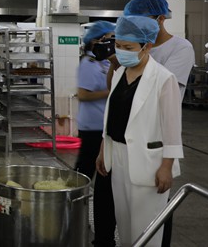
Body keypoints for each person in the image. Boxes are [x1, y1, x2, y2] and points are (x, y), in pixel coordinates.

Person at [96, 16, 183, 247]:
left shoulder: (164, 79)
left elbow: (172, 128)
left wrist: (166, 167)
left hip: (149, 162)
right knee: (125, 226)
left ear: (147, 46)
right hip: (118, 156)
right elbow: (112, 116)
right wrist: (104, 148)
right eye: (118, 45)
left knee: (146, 231)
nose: (121, 52)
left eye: (128, 48)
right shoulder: (119, 74)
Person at [119, 0, 194, 247]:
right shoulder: (134, 48)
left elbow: (158, 90)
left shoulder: (180, 48)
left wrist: (167, 164)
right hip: (129, 137)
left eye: (140, 20)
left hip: (156, 135)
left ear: (160, 19)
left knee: (155, 212)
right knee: (131, 213)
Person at [75, 21, 116, 247]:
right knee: (84, 172)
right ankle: (70, 211)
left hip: (104, 126)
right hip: (92, 127)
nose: (113, 42)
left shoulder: (105, 62)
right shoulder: (89, 63)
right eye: (109, 37)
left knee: (99, 174)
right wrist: (112, 92)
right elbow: (82, 94)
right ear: (96, 40)